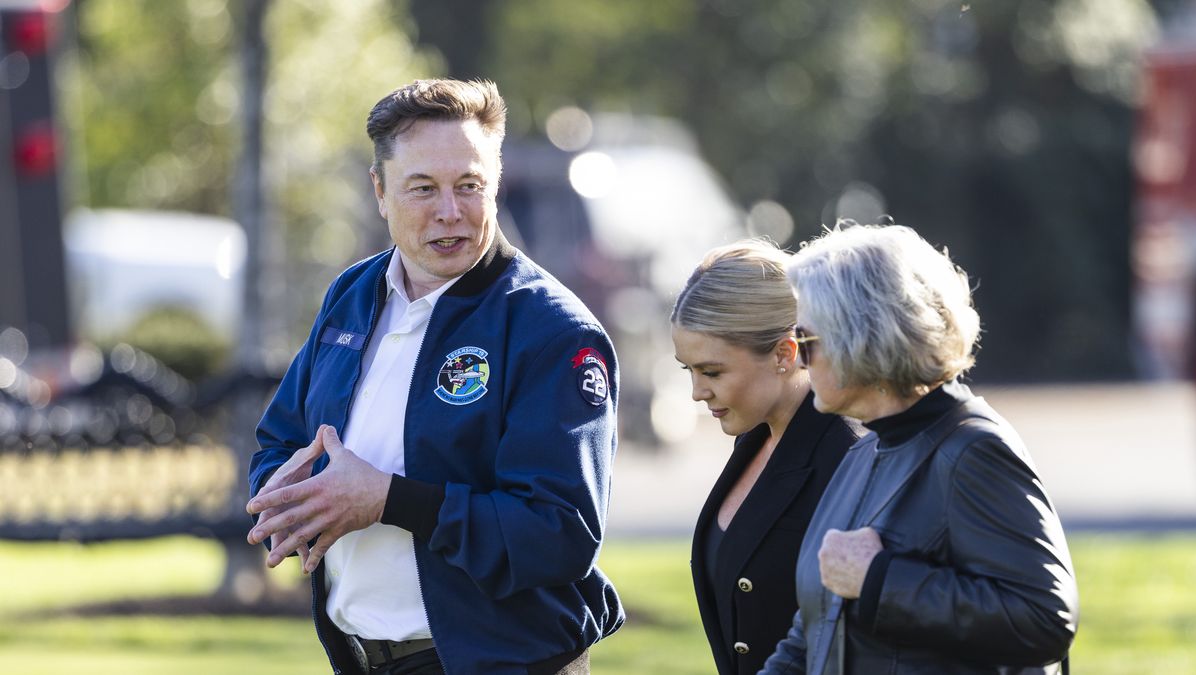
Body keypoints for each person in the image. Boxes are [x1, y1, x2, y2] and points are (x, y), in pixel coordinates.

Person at [244, 79, 622, 675]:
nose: (451, 211)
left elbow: (559, 533)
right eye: (423, 188)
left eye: (469, 186)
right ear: (381, 192)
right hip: (361, 659)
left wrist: (388, 500)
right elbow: (279, 442)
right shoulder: (352, 295)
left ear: (494, 185)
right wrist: (297, 502)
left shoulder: (552, 332)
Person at [760, 223, 1079, 674]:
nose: (798, 360)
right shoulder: (862, 455)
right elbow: (811, 639)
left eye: (806, 342)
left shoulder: (974, 450)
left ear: (862, 336)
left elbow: (1043, 617)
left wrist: (878, 580)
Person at [671, 240, 863, 675]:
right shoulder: (754, 439)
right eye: (690, 370)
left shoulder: (849, 456)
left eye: (712, 372)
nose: (697, 392)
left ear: (784, 353)